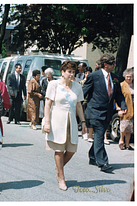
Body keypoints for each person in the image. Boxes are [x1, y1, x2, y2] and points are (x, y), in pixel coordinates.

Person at [43, 61, 87, 191]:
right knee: (59, 149)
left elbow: (79, 105)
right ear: (62, 72)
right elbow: (47, 104)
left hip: (71, 121)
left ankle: (58, 169)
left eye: (73, 72)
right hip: (57, 120)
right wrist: (46, 122)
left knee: (72, 150)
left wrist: (83, 122)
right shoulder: (53, 84)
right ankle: (61, 177)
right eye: (69, 72)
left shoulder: (77, 87)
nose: (71, 74)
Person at [83, 54, 127, 172]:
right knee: (100, 134)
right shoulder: (93, 76)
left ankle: (92, 156)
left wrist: (123, 106)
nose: (115, 65)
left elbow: (118, 94)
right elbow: (84, 92)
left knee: (98, 135)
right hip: (95, 111)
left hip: (107, 112)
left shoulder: (115, 77)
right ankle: (103, 162)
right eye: (112, 63)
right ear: (106, 65)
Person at [117, 68, 134, 150]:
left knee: (130, 127)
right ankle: (121, 140)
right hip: (125, 107)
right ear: (124, 77)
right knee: (124, 126)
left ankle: (127, 144)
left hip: (133, 108)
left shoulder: (134, 85)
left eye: (130, 76)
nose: (129, 78)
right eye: (127, 76)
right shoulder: (121, 85)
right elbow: (117, 97)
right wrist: (119, 108)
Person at [79, 66, 94, 142]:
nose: (87, 74)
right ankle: (84, 132)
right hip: (82, 102)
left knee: (89, 118)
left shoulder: (93, 82)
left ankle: (90, 134)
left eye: (89, 73)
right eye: (86, 73)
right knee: (83, 118)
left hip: (90, 102)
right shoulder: (81, 82)